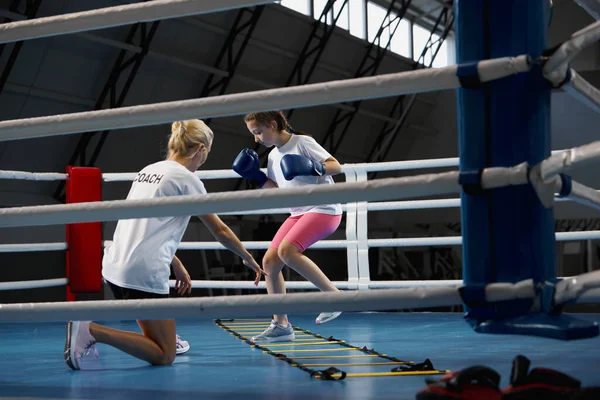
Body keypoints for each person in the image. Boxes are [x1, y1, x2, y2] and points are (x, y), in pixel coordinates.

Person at [64, 119, 265, 370]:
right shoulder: (187, 180)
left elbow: (147, 226)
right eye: (208, 153)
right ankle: (91, 331)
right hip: (141, 274)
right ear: (200, 149)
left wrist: (176, 262)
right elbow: (220, 230)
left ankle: (163, 336)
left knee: (161, 337)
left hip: (115, 266)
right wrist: (247, 257)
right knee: (165, 355)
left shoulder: (148, 170)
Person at [232, 111, 343, 343]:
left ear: (273, 124)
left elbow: (336, 166)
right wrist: (256, 177)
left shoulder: (302, 142)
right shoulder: (273, 156)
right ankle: (281, 325)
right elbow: (278, 191)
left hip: (324, 208)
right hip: (298, 212)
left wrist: (315, 168)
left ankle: (334, 297)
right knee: (270, 263)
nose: (256, 139)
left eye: (258, 132)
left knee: (287, 251)